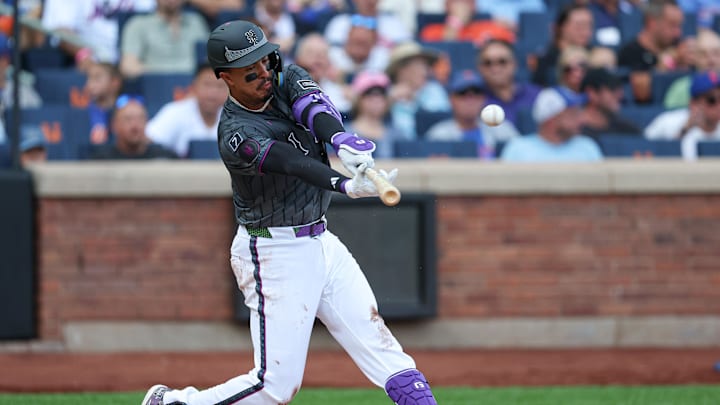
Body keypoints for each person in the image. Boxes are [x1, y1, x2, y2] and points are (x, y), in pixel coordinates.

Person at [141, 19, 438, 405]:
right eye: (250, 70)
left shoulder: (282, 75)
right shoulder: (235, 133)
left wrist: (340, 139)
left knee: (385, 352)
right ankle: (173, 403)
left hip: (322, 241)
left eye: (266, 60)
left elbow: (311, 106)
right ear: (226, 78)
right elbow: (290, 162)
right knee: (274, 386)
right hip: (273, 251)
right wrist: (343, 184)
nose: (264, 73)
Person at [426, 69, 520, 159]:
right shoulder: (439, 135)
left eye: (476, 92)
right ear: (451, 99)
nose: (470, 99)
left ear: (483, 98)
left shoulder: (502, 130)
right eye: (462, 93)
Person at [41, 0, 156, 68]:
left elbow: (155, 21)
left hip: (135, 60)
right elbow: (61, 31)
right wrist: (84, 56)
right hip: (91, 61)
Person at [501, 86, 604, 162]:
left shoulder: (588, 147)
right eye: (573, 114)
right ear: (551, 119)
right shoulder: (518, 149)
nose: (582, 120)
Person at [146, 63, 228, 157]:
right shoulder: (175, 112)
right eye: (207, 85)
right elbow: (149, 141)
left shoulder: (236, 118)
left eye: (220, 86)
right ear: (194, 87)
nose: (212, 93)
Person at [120, 0, 210, 78]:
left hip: (194, 88)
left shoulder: (196, 22)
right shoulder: (138, 24)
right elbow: (128, 67)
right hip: (155, 86)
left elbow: (210, 58)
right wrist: (166, 76)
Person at [617, 0, 685, 103]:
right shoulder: (630, 52)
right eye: (672, 25)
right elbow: (641, 94)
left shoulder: (678, 46)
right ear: (652, 22)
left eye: (679, 26)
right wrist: (668, 63)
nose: (678, 32)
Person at [645, 70, 720, 160]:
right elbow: (642, 148)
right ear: (694, 103)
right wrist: (685, 130)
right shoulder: (667, 122)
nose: (718, 105)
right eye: (712, 100)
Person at [386, 41, 451, 140]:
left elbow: (444, 121)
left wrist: (415, 100)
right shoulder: (384, 93)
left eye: (426, 66)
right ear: (401, 69)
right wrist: (389, 102)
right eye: (419, 65)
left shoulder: (434, 90)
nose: (425, 71)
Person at [88, 95, 178, 160]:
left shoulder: (164, 158)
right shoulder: (101, 161)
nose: (135, 126)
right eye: (128, 119)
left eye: (140, 119)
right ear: (114, 125)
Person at [476, 39, 541, 128]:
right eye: (488, 63)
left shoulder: (536, 95)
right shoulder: (473, 100)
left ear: (514, 64)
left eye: (502, 62)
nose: (495, 69)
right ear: (480, 68)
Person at [532, 4, 594, 87]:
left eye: (589, 25)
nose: (586, 31)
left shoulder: (594, 54)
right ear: (561, 27)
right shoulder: (546, 58)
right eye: (580, 25)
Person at [345, 70, 403, 159]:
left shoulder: (397, 134)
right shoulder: (345, 134)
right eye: (369, 94)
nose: (376, 100)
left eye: (381, 95)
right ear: (359, 99)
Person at [293, 33, 351, 112]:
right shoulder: (284, 89)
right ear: (297, 59)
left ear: (329, 62)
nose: (317, 58)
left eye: (323, 54)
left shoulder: (338, 94)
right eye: (311, 53)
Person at [664, 28, 720, 109]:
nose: (711, 60)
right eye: (703, 54)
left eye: (716, 53)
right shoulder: (680, 88)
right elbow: (671, 118)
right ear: (695, 58)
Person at [419, 0, 516, 46]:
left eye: (467, 1)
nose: (462, 4)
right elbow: (446, 52)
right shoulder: (431, 31)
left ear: (474, 5)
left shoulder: (494, 27)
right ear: (446, 5)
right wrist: (455, 22)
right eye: (456, 1)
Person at [580, 67, 642, 139]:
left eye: (621, 88)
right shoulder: (573, 133)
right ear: (592, 93)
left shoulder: (627, 130)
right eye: (612, 88)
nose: (621, 95)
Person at [327, 15, 390, 82]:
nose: (359, 50)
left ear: (373, 44)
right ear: (347, 40)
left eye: (364, 44)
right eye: (356, 43)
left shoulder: (383, 61)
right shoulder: (331, 58)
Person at [84, 61, 123, 146]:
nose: (89, 84)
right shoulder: (84, 111)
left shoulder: (126, 108)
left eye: (96, 78)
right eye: (89, 78)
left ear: (115, 82)